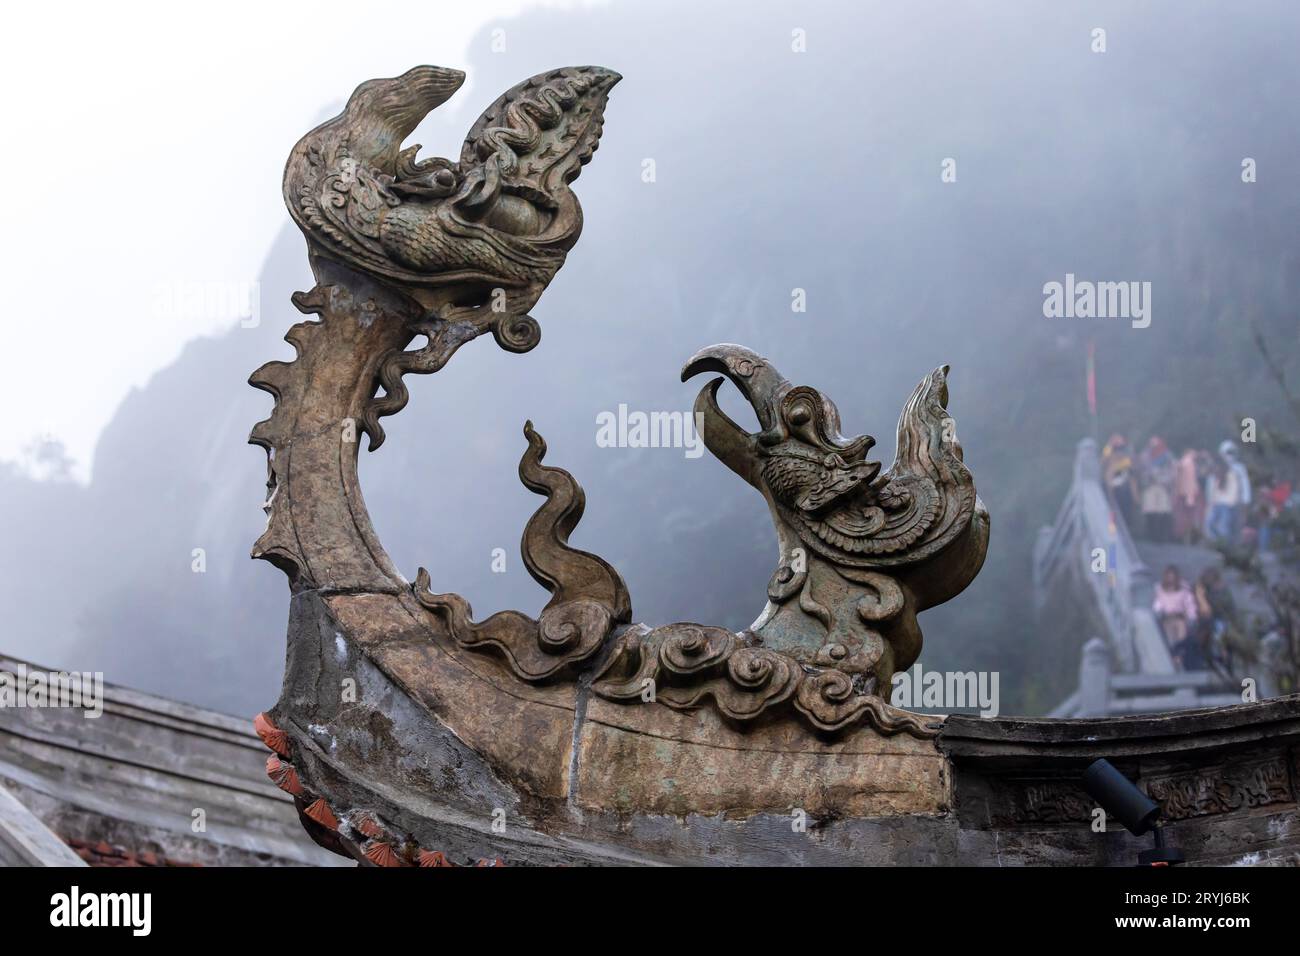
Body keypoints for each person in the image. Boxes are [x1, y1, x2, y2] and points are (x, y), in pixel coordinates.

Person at [1152, 565, 1197, 667]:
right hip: (1166, 618)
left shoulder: (1184, 590)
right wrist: (1159, 611)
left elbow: (1190, 605)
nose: (1171, 580)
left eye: (1173, 577)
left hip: (1180, 618)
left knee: (1180, 627)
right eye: (1169, 577)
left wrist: (1192, 617)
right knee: (1169, 631)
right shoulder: (1159, 589)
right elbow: (1157, 604)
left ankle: (1180, 656)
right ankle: (1172, 656)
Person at [1138, 436, 1175, 541]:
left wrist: (1163, 479)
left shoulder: (1167, 456)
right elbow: (1141, 470)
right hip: (1150, 486)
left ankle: (1162, 537)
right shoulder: (1145, 455)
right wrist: (1148, 477)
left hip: (1163, 486)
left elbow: (1172, 471)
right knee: (1150, 512)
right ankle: (1151, 536)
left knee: (1163, 512)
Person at [1102, 434, 1137, 529]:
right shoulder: (1108, 449)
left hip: (1125, 484)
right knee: (1113, 507)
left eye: (1119, 438)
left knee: (1126, 508)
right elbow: (1105, 461)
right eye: (1115, 439)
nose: (1117, 440)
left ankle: (1126, 527)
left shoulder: (1128, 449)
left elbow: (1131, 464)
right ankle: (1113, 527)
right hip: (1112, 484)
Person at [1219, 440, 1251, 540]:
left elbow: (1245, 486)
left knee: (1236, 526)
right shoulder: (1220, 468)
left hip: (1237, 502)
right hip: (1223, 503)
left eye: (1231, 453)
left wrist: (1245, 501)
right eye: (1227, 453)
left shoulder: (1240, 468)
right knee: (1223, 526)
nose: (1229, 456)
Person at [1173, 447, 1203, 544]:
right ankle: (1187, 539)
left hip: (1183, 494)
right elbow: (1190, 481)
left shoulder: (1182, 462)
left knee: (1183, 518)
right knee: (1189, 518)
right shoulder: (1188, 463)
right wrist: (1190, 496)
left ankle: (1184, 539)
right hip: (1188, 495)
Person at [1205, 460, 1240, 542]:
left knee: (1223, 526)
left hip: (1226, 505)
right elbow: (1213, 491)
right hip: (1216, 504)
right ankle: (1216, 541)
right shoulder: (1216, 477)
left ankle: (1224, 544)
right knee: (1210, 523)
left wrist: (1230, 503)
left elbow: (1234, 491)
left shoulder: (1231, 476)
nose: (1216, 469)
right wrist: (1212, 502)